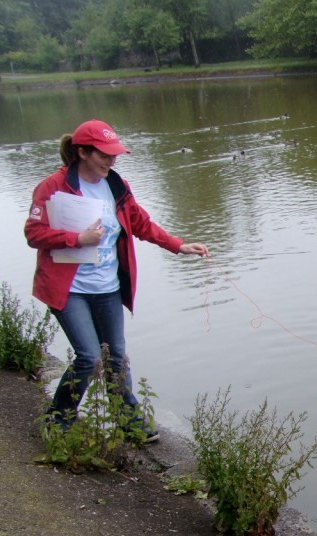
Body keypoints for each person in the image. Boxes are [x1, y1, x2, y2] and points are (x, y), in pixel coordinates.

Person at [24, 119, 210, 442]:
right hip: (69, 290)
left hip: (108, 288)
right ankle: (60, 417)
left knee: (116, 359)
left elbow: (141, 223)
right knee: (89, 357)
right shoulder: (53, 187)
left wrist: (179, 245)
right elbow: (33, 233)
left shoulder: (116, 185)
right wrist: (77, 238)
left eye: (114, 155)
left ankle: (128, 420)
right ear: (82, 152)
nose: (112, 161)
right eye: (105, 156)